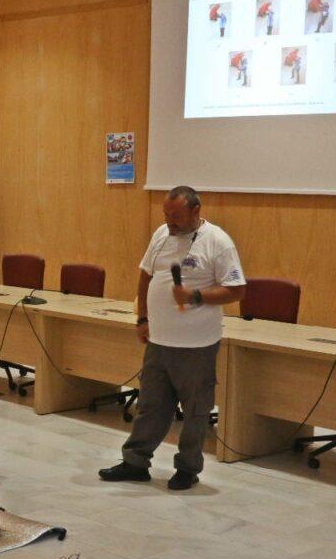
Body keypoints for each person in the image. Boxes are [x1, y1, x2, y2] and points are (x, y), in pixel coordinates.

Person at [99, 186, 245, 490]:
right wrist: (142, 318)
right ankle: (135, 462)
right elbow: (145, 276)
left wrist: (194, 296)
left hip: (196, 345)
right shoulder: (161, 234)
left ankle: (187, 469)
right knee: (150, 405)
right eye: (166, 214)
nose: (169, 221)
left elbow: (236, 290)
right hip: (159, 340)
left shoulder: (218, 242)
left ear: (196, 210)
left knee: (195, 411)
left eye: (176, 216)